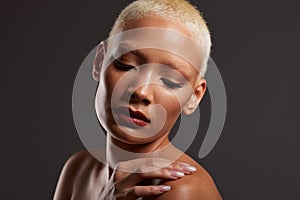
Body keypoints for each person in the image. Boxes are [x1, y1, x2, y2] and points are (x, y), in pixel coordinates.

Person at [54, 0, 222, 199]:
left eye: (170, 81)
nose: (141, 92)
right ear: (99, 61)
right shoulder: (78, 169)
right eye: (125, 65)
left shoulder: (180, 190)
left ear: (194, 97)